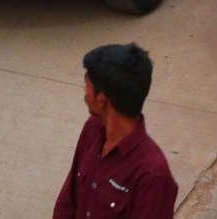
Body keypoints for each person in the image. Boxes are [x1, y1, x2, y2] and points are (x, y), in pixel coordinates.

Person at [53, 44, 179, 218]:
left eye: (87, 85)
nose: (84, 91)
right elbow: (68, 202)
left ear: (101, 99)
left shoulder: (152, 175)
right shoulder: (93, 128)